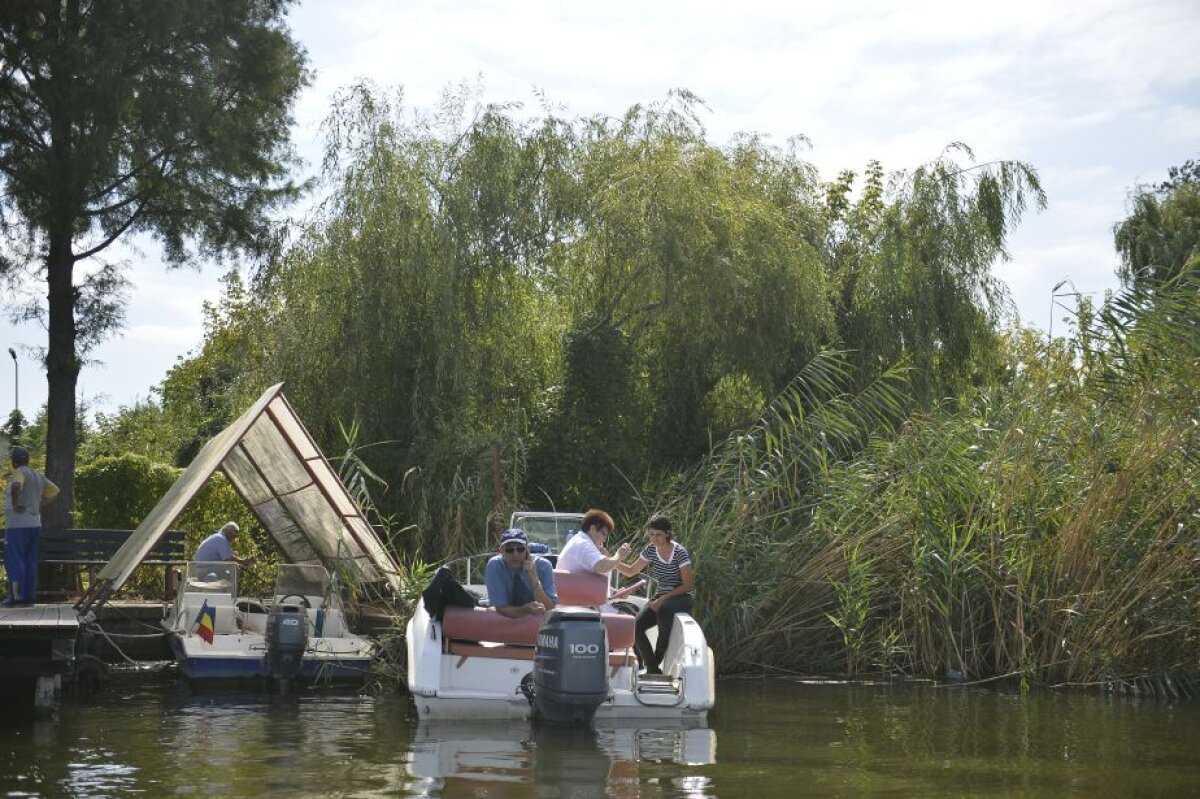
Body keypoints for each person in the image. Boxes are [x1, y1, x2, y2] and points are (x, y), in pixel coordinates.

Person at [615, 515, 694, 674]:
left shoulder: (679, 552)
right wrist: (611, 561)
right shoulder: (650, 550)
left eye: (658, 534)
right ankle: (652, 666)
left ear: (667, 534)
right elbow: (630, 571)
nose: (654, 538)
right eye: (651, 534)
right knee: (634, 627)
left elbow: (688, 585)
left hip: (681, 597)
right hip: (660, 596)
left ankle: (655, 661)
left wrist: (663, 598)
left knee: (664, 610)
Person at [3, 446, 60, 607]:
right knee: (30, 561)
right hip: (34, 524)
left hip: (17, 526)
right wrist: (41, 504)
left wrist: (15, 504)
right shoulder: (38, 475)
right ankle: (29, 597)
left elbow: (16, 486)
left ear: (14, 461)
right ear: (27, 459)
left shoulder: (19, 472)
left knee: (15, 561)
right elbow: (55, 491)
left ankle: (16, 597)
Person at [484, 528, 558, 618]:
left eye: (520, 549)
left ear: (527, 549)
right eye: (510, 550)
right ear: (501, 551)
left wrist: (534, 577)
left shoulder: (543, 566)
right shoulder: (495, 565)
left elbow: (550, 608)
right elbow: (500, 608)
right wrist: (525, 609)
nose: (515, 554)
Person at [557, 508, 631, 575]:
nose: (604, 539)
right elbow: (601, 567)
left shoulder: (579, 540)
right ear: (592, 529)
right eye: (603, 534)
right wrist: (618, 556)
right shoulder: (584, 545)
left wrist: (612, 590)